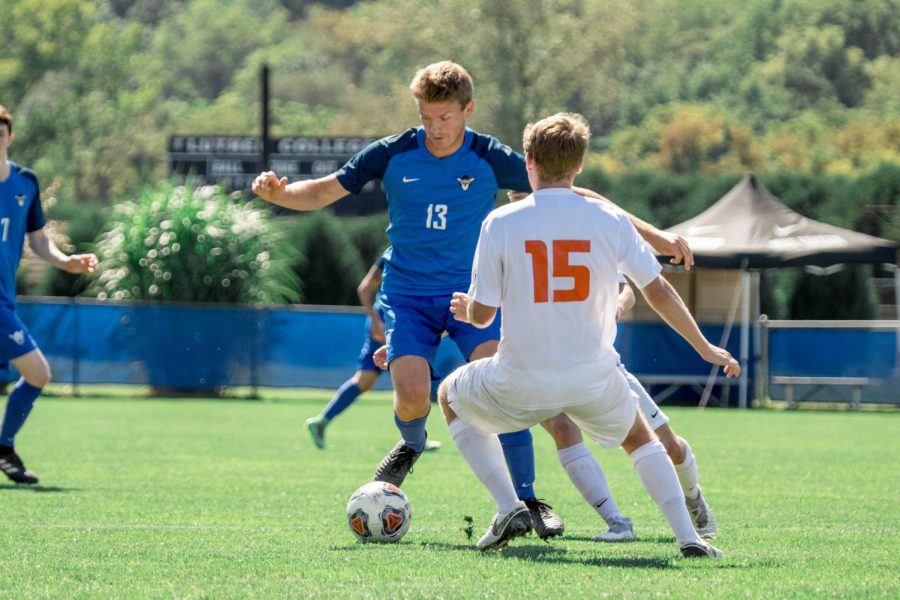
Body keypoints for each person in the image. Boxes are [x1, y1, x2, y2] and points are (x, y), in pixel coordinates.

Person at [252, 61, 693, 538]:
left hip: (471, 297)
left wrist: (657, 238)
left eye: (445, 118)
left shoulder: (489, 156)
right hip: (407, 293)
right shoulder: (393, 152)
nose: (435, 129)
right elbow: (324, 191)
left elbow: (578, 194)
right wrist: (281, 194)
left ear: (467, 109)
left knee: (508, 387)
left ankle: (525, 502)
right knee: (411, 396)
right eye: (426, 118)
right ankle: (412, 445)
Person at [438, 112, 738, 557]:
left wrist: (468, 307)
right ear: (580, 165)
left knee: (448, 396)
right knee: (641, 440)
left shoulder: (500, 223)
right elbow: (657, 291)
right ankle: (688, 537)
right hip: (592, 377)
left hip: (522, 378)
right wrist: (705, 346)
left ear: (528, 161)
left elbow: (482, 317)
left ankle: (508, 507)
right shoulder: (609, 218)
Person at [546, 276, 718, 543]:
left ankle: (693, 496)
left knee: (668, 446)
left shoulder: (592, 236)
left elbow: (628, 290)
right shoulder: (527, 239)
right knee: (562, 428)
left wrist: (616, 307)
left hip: (604, 367)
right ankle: (616, 522)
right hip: (547, 368)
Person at [0, 104, 98, 484]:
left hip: (6, 300)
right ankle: (5, 447)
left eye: (0, 133)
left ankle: (4, 447)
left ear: (10, 136)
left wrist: (66, 262)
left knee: (37, 375)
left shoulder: (26, 182)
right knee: (38, 372)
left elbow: (39, 242)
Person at [305, 252, 440, 452]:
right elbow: (365, 288)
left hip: (388, 318)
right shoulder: (394, 253)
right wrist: (376, 322)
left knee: (365, 380)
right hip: (390, 319)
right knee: (410, 376)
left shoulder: (410, 251)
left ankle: (321, 421)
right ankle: (416, 439)